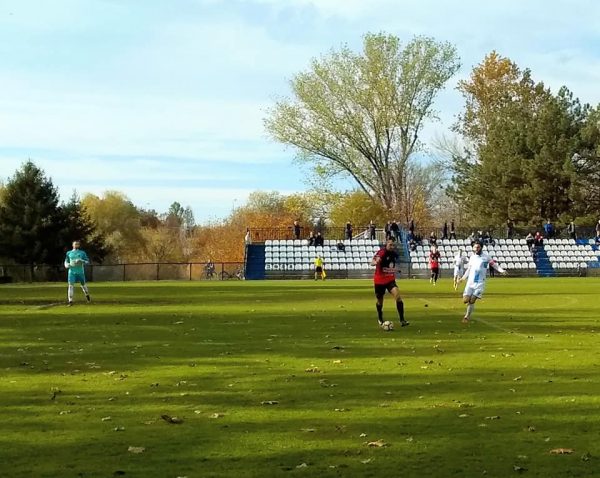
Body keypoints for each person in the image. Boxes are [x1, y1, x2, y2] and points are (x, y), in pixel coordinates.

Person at [458, 242, 507, 323]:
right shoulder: (472, 257)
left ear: (481, 248)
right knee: (465, 300)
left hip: (480, 283)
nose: (476, 249)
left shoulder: (486, 257)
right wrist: (463, 278)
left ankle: (466, 317)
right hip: (470, 282)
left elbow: (494, 265)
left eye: (478, 247)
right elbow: (469, 269)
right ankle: (469, 306)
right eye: (475, 247)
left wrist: (501, 271)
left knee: (472, 300)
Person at [371, 239, 409, 328]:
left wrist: (397, 270)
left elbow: (393, 264)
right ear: (386, 245)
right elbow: (373, 261)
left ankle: (402, 320)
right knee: (380, 301)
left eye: (393, 245)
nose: (392, 247)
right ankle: (380, 317)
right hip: (379, 280)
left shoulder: (394, 254)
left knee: (398, 297)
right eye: (390, 245)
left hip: (390, 280)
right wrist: (375, 262)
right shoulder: (382, 252)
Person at [64, 240, 91, 306]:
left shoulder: (82, 253)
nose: (76, 245)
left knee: (83, 285)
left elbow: (87, 261)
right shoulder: (68, 253)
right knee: (70, 286)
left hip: (80, 272)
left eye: (77, 244)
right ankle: (70, 301)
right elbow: (66, 261)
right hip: (71, 272)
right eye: (75, 244)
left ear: (79, 245)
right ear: (72, 245)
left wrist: (81, 261)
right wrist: (66, 265)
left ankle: (87, 295)